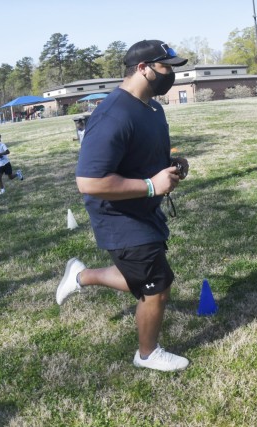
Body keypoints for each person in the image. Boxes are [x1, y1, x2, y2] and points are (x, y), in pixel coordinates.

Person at [56, 40, 191, 372]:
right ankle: (147, 354)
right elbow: (89, 181)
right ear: (143, 68)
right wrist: (150, 185)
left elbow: (143, 157)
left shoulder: (154, 108)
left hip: (144, 208)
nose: (171, 73)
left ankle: (81, 275)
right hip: (118, 215)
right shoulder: (112, 113)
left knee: (140, 277)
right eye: (166, 66)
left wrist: (171, 166)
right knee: (156, 286)